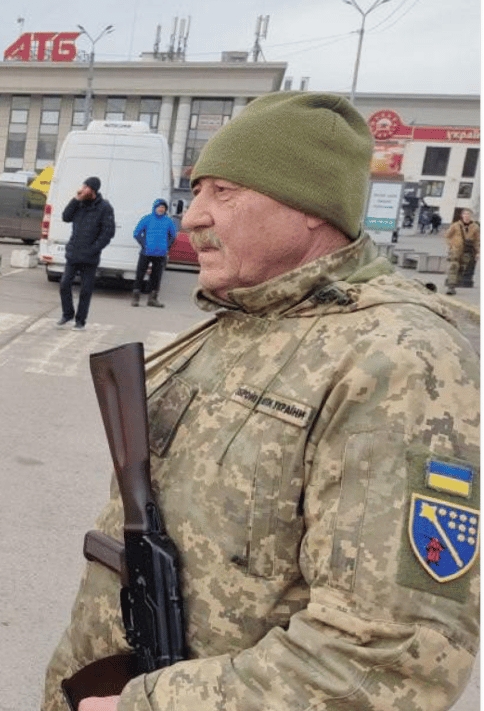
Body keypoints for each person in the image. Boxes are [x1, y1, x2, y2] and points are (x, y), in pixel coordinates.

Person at [42, 91, 481, 711]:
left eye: (224, 192)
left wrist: (153, 705)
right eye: (197, 192)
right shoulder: (246, 317)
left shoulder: (399, 361)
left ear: (310, 209)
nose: (193, 217)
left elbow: (389, 659)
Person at [56, 176, 116, 330]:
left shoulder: (104, 207)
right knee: (64, 284)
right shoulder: (79, 204)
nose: (82, 189)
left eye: (85, 187)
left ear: (93, 190)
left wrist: (94, 249)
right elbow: (65, 217)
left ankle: (80, 321)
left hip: (90, 257)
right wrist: (76, 199)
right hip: (73, 253)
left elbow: (108, 232)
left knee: (86, 290)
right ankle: (67, 314)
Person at [130, 198, 177, 307]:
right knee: (140, 275)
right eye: (159, 207)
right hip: (146, 252)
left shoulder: (168, 221)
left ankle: (152, 299)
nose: (161, 209)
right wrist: (144, 244)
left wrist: (167, 247)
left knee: (156, 277)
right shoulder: (147, 219)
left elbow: (173, 236)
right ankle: (135, 298)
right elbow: (137, 233)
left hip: (160, 254)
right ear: (155, 208)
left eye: (163, 208)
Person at [444, 208, 480, 295]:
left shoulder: (475, 227)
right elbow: (447, 236)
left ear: (471, 216)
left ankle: (453, 283)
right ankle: (451, 287)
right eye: (465, 214)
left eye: (468, 214)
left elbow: (477, 241)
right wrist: (450, 246)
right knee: (454, 267)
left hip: (467, 251)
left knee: (461, 269)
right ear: (462, 215)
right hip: (456, 250)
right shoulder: (456, 225)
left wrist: (478, 252)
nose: (467, 216)